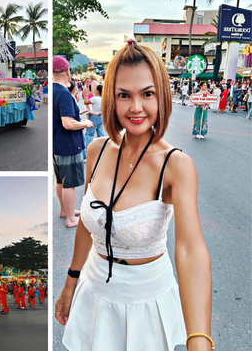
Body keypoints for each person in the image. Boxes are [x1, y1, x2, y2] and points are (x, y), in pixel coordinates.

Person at [54, 39, 212, 351]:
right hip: (94, 292)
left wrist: (200, 341)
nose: (135, 107)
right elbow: (88, 223)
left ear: (161, 97)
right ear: (111, 99)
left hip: (146, 304)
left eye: (147, 94)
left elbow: (191, 251)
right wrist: (70, 283)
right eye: (124, 95)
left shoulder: (176, 165)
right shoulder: (96, 150)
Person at [53, 56, 94, 228]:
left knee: (60, 181)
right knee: (69, 183)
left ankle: (65, 211)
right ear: (66, 71)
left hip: (57, 145)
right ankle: (71, 218)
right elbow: (68, 123)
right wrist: (85, 123)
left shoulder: (54, 90)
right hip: (69, 144)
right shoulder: (64, 94)